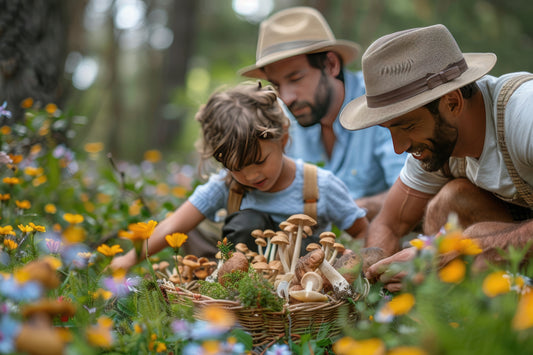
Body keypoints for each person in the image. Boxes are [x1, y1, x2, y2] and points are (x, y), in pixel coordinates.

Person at [339, 24, 533, 291]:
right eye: (390, 130)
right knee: (451, 200)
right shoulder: (436, 141)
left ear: (452, 102)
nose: (399, 147)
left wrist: (456, 251)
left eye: (406, 126)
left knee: (471, 240)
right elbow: (390, 224)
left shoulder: (524, 114)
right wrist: (374, 276)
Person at [110, 82, 368, 271]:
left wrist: (354, 265)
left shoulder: (320, 185)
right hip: (244, 290)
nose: (250, 175)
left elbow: (362, 232)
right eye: (236, 167)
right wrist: (129, 260)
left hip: (303, 293)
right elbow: (172, 226)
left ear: (283, 139)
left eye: (259, 161)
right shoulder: (226, 185)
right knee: (247, 222)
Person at [238, 6, 406, 221]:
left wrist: (341, 210)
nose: (286, 98)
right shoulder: (286, 123)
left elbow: (413, 191)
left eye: (296, 78)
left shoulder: (382, 104)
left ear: (331, 64)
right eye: (277, 85)